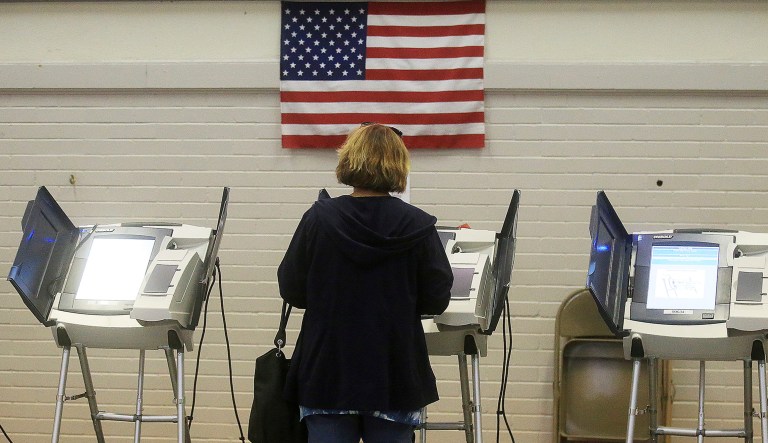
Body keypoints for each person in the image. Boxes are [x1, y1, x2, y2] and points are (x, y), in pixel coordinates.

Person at [277, 122, 454, 443]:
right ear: (399, 166)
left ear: (348, 159)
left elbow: (291, 288)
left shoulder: (318, 219)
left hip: (327, 369)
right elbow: (437, 299)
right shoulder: (420, 226)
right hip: (394, 369)